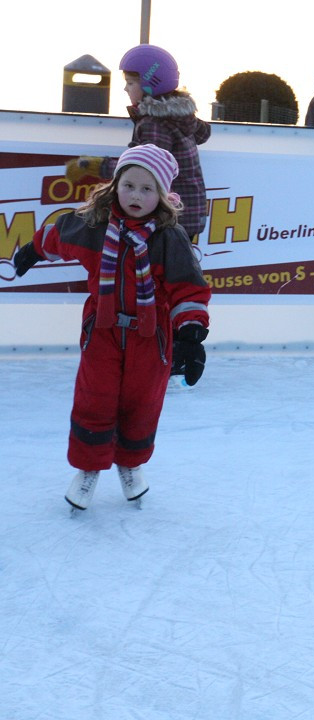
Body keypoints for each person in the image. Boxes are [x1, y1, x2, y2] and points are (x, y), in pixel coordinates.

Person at [13, 145, 211, 512]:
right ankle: (88, 469)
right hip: (101, 332)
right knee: (94, 398)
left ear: (163, 196)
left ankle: (130, 465)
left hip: (151, 339)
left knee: (142, 403)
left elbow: (189, 287)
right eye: (129, 185)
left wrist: (191, 335)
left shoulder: (169, 239)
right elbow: (59, 235)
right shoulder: (94, 226)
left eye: (147, 189)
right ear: (115, 185)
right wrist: (33, 250)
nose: (136, 195)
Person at [65, 44, 211, 389]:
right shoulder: (175, 118)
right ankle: (174, 348)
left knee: (158, 284)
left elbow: (141, 171)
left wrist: (93, 167)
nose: (125, 89)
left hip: (165, 217)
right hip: (181, 214)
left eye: (130, 81)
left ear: (149, 84)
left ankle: (168, 353)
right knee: (173, 280)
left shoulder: (154, 123)